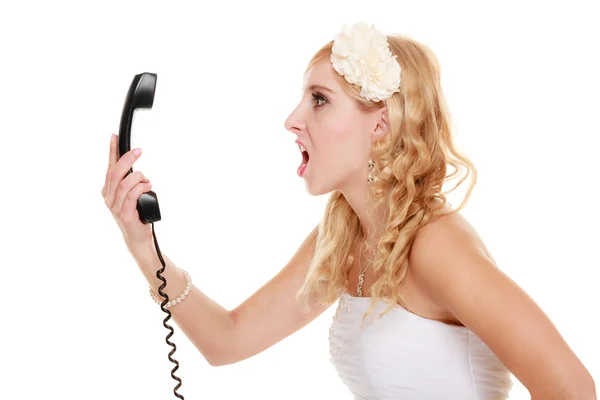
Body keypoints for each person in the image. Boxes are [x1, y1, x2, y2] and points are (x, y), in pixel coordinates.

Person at [101, 22, 596, 399]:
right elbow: (228, 342)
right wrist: (144, 249)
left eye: (319, 100)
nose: (292, 120)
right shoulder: (340, 239)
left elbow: (572, 390)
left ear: (380, 125)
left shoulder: (436, 244)